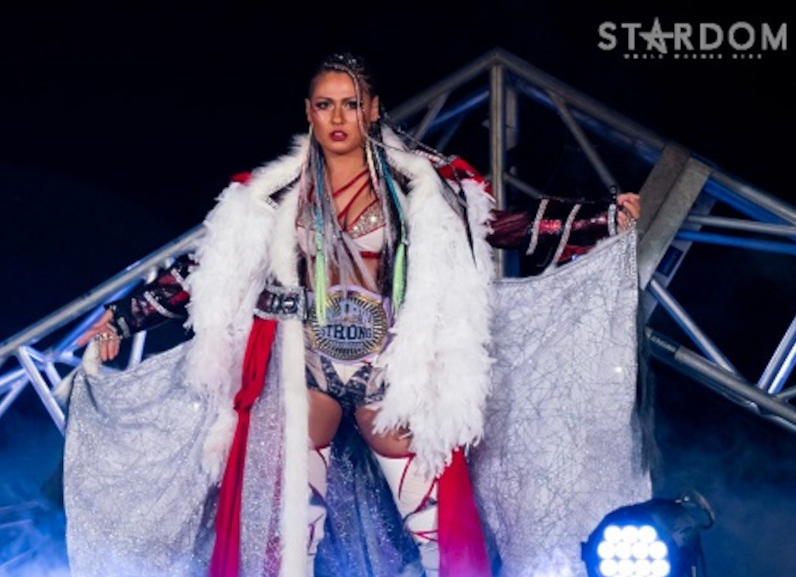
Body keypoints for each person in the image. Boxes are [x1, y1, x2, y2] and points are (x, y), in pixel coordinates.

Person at [70, 52, 640, 577]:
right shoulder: (275, 193)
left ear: (372, 110)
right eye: (325, 105)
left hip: (390, 375)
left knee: (441, 541)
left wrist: (598, 218)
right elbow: (205, 271)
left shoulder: (418, 185)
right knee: (283, 549)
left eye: (350, 104)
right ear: (309, 113)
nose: (338, 117)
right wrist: (122, 318)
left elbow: (497, 226)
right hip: (302, 375)